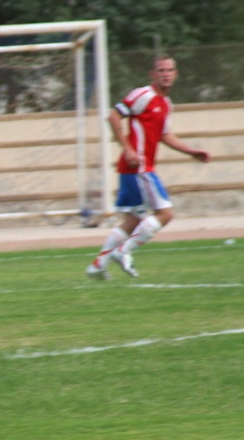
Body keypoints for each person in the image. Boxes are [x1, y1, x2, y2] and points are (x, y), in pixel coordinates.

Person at [86, 55, 211, 280]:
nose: (166, 73)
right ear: (153, 74)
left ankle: (98, 265)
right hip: (139, 166)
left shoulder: (166, 104)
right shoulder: (143, 94)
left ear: (176, 74)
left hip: (135, 168)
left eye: (170, 70)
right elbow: (113, 116)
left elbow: (165, 135)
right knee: (165, 213)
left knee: (132, 220)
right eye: (161, 70)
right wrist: (127, 148)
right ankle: (123, 252)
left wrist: (191, 151)